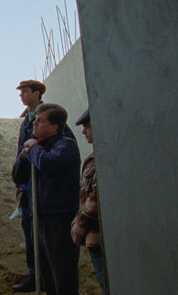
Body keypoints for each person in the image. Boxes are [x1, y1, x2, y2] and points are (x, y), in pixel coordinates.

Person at [10, 80, 75, 293]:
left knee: (61, 271)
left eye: (39, 121)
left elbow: (49, 163)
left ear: (54, 127)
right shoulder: (33, 136)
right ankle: (33, 275)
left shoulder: (65, 144)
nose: (34, 125)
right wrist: (24, 155)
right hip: (39, 210)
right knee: (44, 265)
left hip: (57, 214)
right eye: (34, 121)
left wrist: (33, 149)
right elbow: (18, 174)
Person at [71, 109, 107, 293]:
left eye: (87, 127)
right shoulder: (95, 157)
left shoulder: (103, 159)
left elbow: (93, 203)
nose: (84, 132)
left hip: (100, 236)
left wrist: (78, 228)